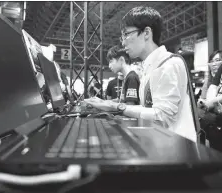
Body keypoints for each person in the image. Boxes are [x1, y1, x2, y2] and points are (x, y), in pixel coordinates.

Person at [84, 6, 197, 142]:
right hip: (159, 143)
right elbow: (147, 109)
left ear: (146, 33)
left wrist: (116, 107)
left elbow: (162, 117)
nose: (123, 41)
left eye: (126, 34)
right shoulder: (149, 67)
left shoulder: (168, 64)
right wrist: (108, 105)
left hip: (176, 150)